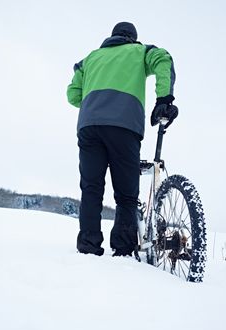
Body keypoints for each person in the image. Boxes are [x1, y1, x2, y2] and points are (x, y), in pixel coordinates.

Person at [67, 22, 178, 257]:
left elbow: (72, 94)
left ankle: (88, 245)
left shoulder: (90, 59)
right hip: (124, 126)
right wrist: (163, 99)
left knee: (91, 188)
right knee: (126, 194)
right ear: (132, 38)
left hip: (89, 126)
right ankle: (123, 248)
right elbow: (163, 59)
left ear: (112, 37)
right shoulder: (140, 51)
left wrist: (95, 104)